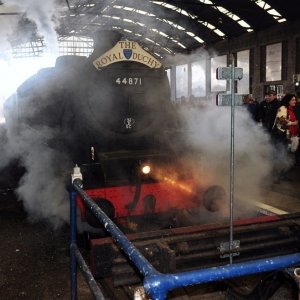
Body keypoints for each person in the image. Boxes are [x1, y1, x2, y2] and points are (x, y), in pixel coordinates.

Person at [272, 93, 299, 182]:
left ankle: (283, 175)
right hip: (281, 137)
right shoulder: (283, 108)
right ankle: (276, 177)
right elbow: (281, 121)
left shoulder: (290, 109)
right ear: (288, 101)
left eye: (295, 99)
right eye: (293, 100)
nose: (295, 101)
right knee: (280, 155)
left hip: (287, 136)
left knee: (285, 156)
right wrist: (293, 123)